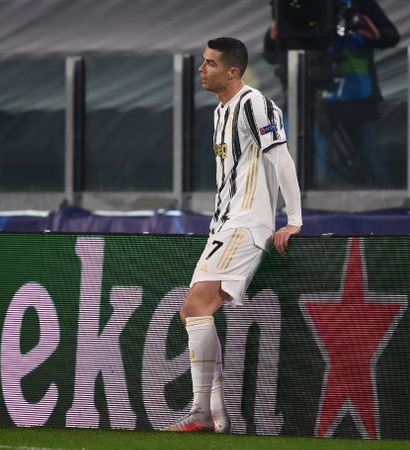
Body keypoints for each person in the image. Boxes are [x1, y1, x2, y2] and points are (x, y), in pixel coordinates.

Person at [164, 37, 302, 433]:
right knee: (191, 312)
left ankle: (202, 412)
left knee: (197, 306)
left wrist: (293, 219)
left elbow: (281, 158)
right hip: (224, 225)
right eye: (203, 61)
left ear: (233, 71)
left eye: (210, 63)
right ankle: (214, 412)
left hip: (247, 224)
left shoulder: (254, 103)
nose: (201, 69)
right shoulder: (220, 111)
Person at [265, 0, 399, 187]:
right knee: (307, 160)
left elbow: (391, 36)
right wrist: (273, 38)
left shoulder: (358, 3)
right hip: (311, 97)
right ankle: (307, 202)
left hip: (357, 96)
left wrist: (374, 35)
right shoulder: (295, 4)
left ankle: (389, 201)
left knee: (369, 156)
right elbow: (271, 53)